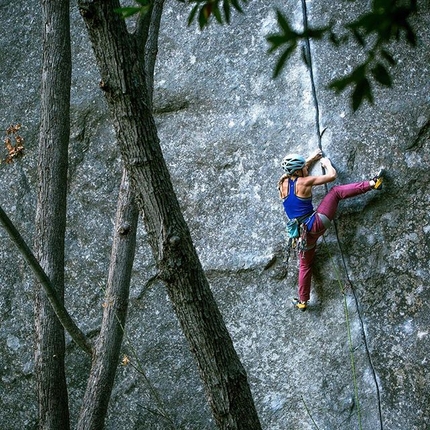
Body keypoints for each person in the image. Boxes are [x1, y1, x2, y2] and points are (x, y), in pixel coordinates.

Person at [277, 149, 383, 311]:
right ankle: (372, 184)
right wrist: (326, 164)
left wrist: (312, 158)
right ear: (298, 171)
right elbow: (331, 176)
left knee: (305, 265)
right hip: (316, 223)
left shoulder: (282, 183)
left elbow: (300, 168)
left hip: (301, 235)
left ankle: (303, 301)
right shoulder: (305, 182)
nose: (307, 168)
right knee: (335, 192)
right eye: (304, 168)